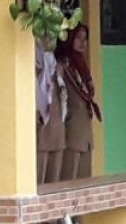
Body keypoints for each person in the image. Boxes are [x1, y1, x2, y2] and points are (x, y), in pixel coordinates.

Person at [55, 24, 102, 180]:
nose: (83, 43)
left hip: (84, 136)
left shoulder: (82, 66)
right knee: (69, 178)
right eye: (78, 38)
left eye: (85, 39)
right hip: (71, 134)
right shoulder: (63, 66)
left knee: (85, 179)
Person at [36, 40, 67, 184]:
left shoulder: (56, 65)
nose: (50, 38)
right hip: (41, 127)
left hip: (57, 129)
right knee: (38, 182)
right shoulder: (33, 59)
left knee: (55, 184)